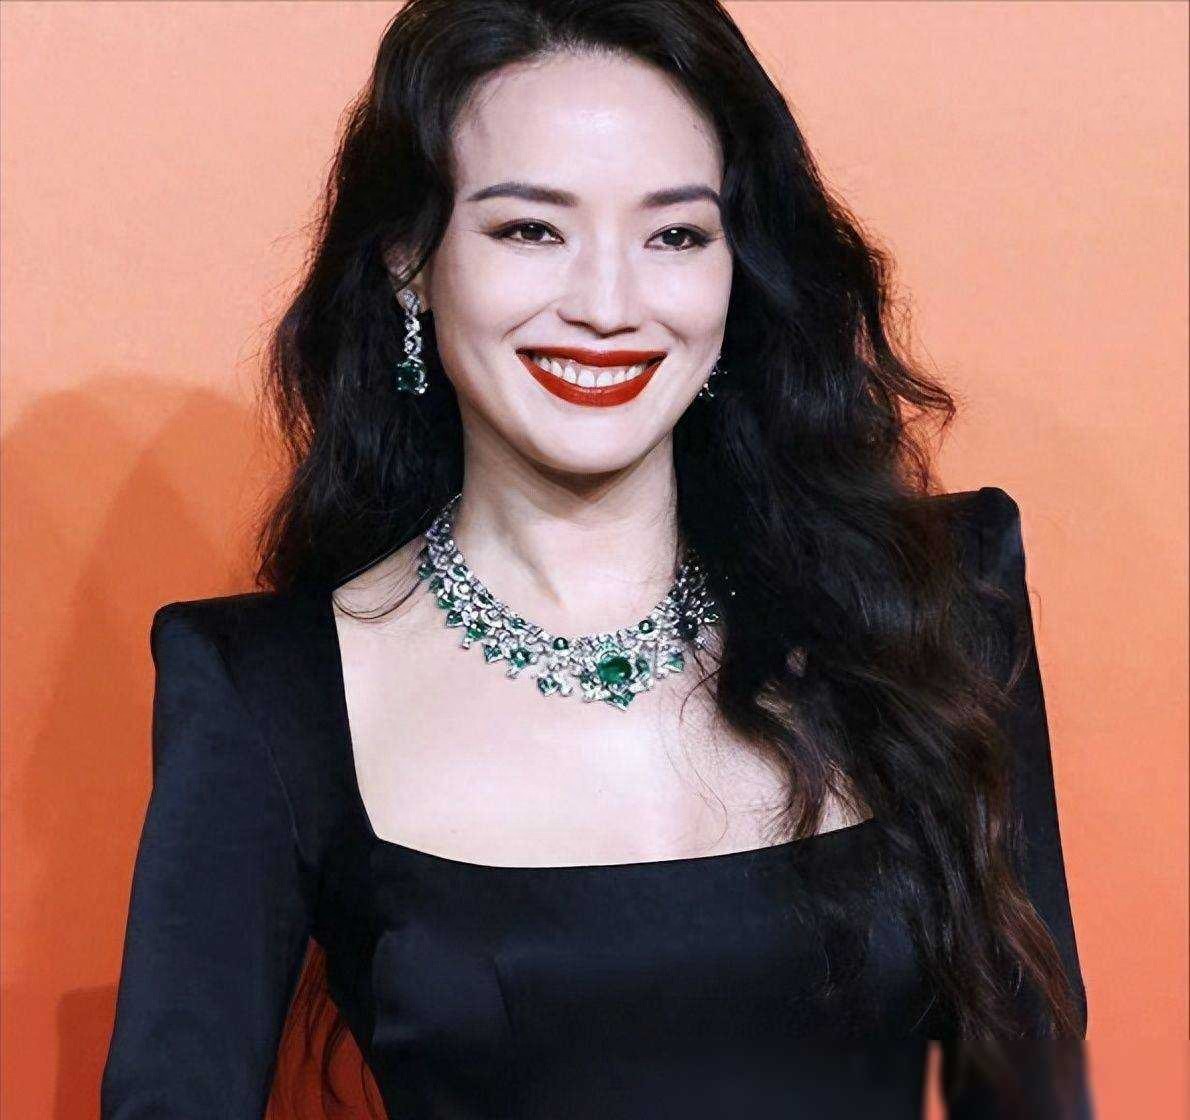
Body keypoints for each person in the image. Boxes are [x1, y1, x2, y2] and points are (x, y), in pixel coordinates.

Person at [100, 1, 1090, 1117]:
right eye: (531, 230)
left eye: (675, 235)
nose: (608, 307)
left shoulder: (935, 602)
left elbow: (1032, 1090)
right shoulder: (265, 694)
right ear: (410, 261)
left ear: (736, 265)